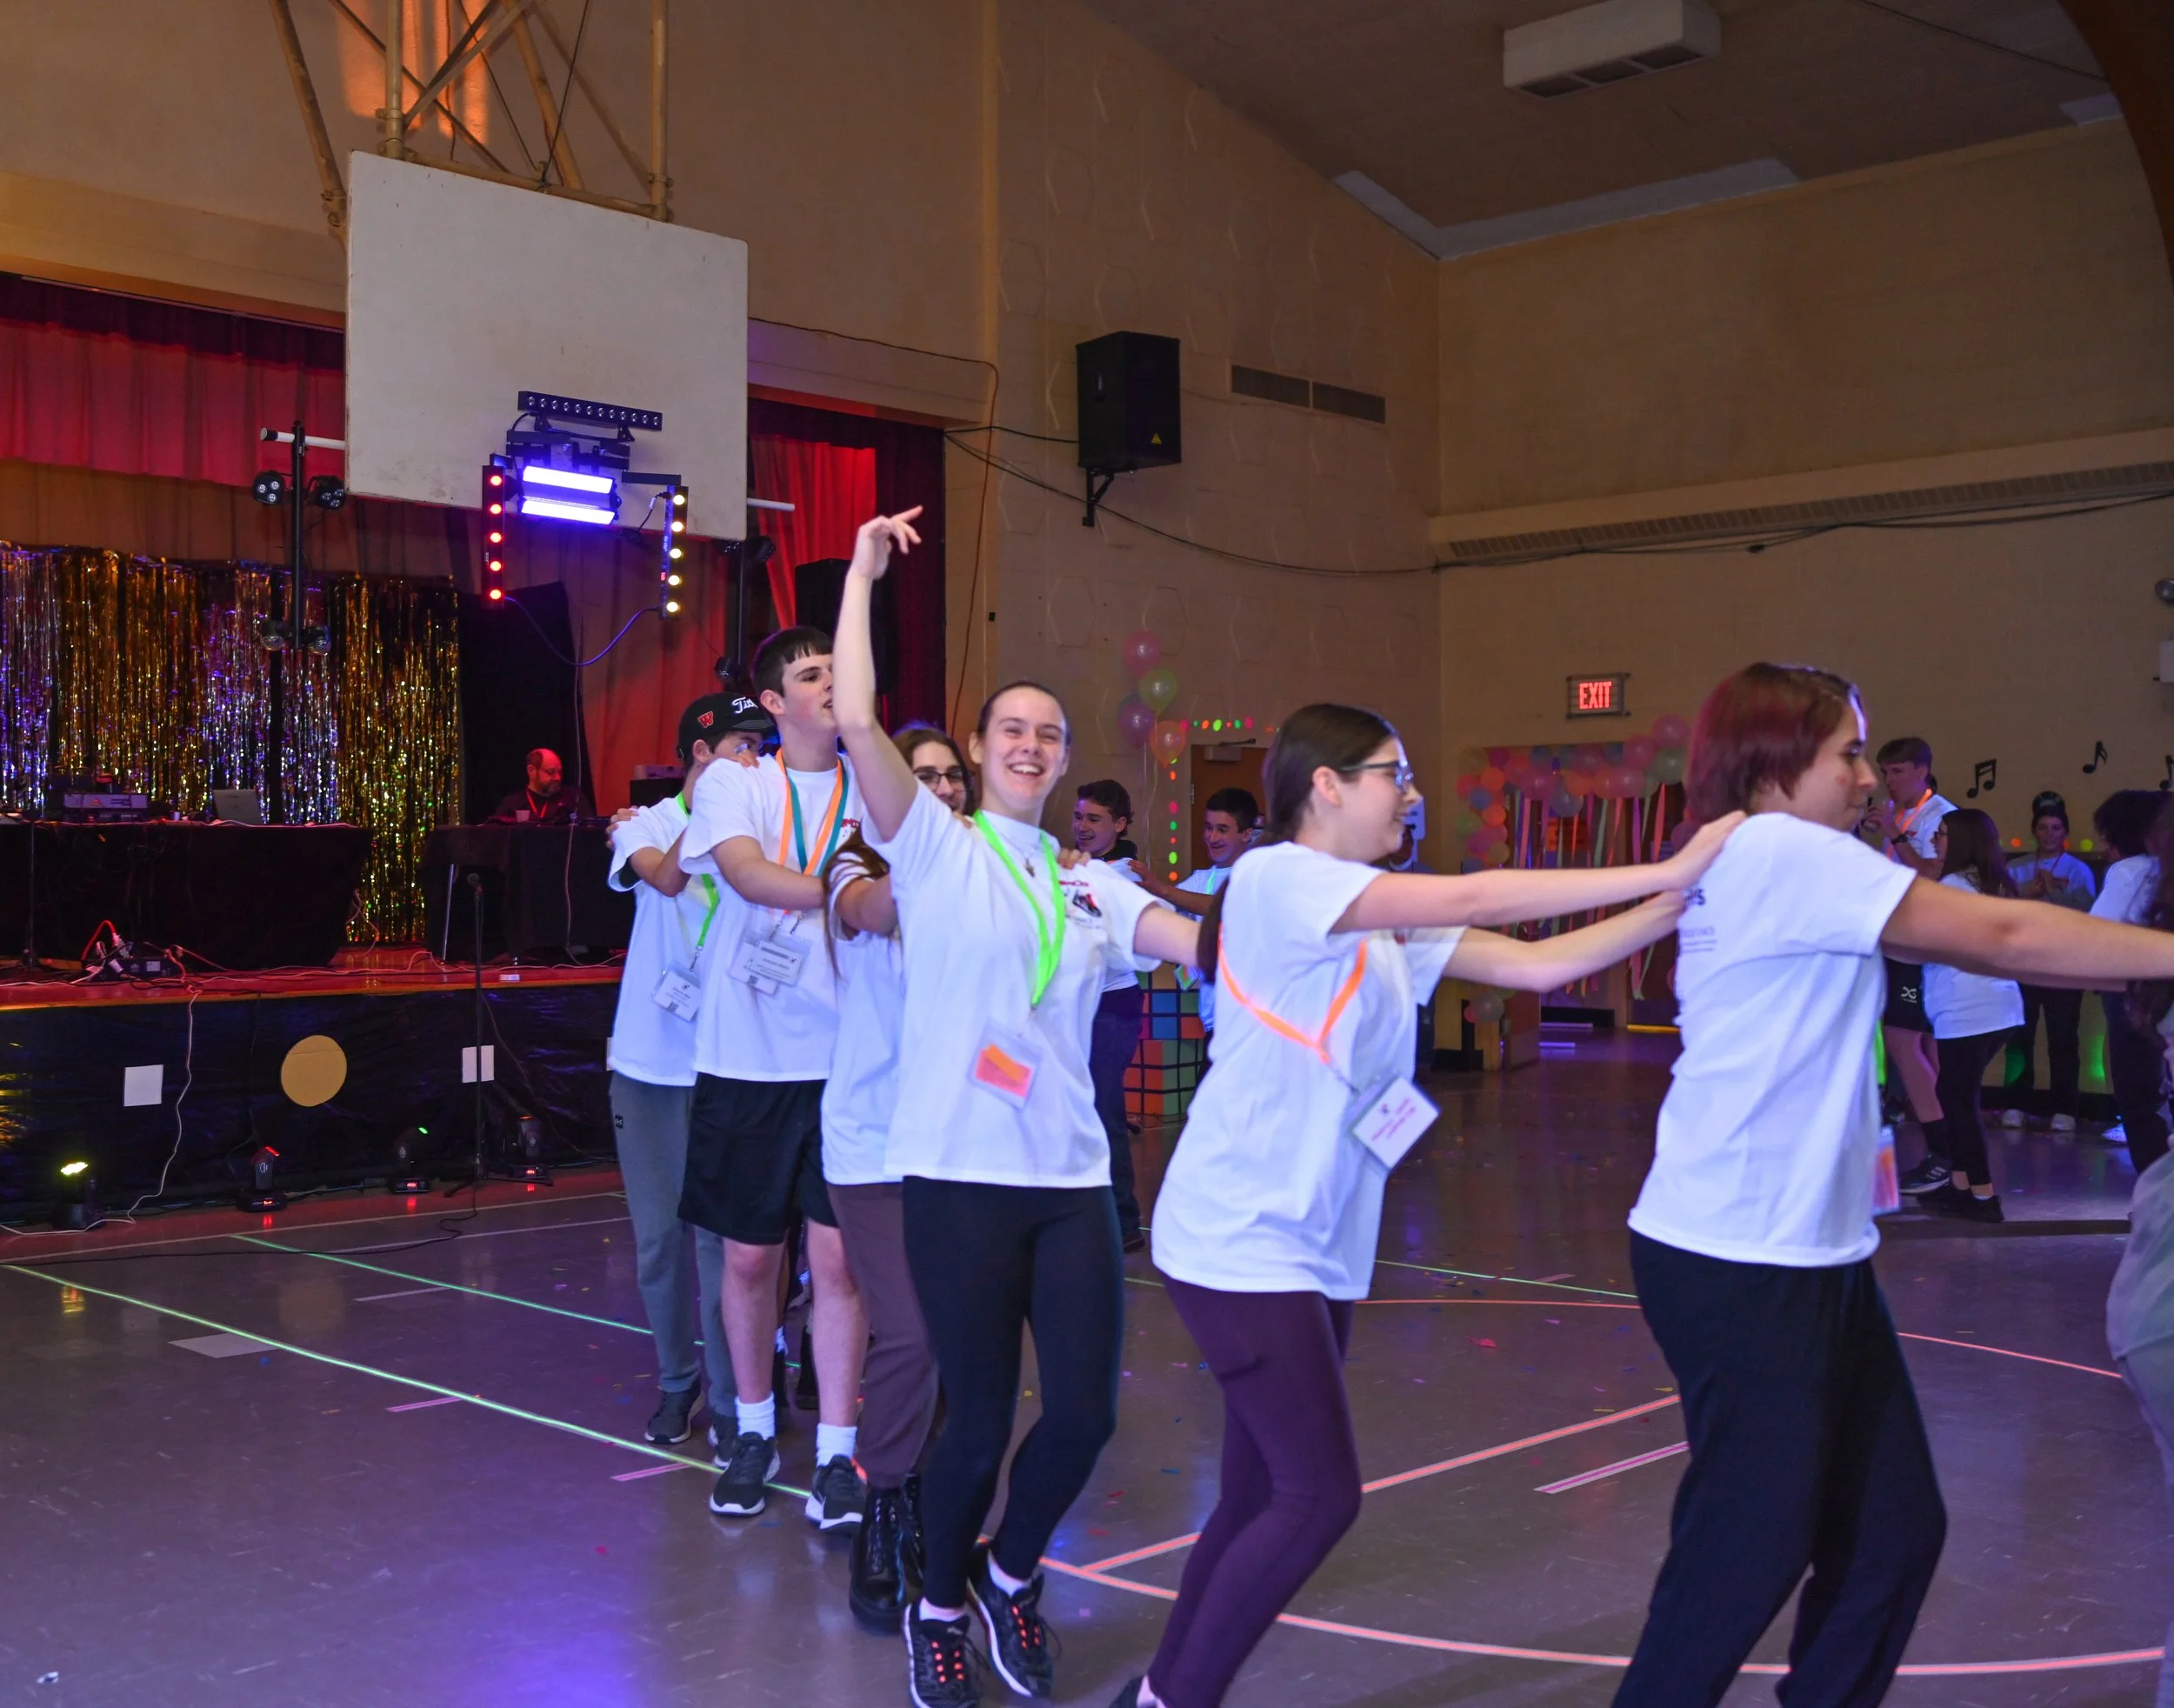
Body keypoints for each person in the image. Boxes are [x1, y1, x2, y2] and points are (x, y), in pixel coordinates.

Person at [1117, 705, 1742, 1708]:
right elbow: (1477, 887)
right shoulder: (1278, 879)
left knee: (1256, 1492)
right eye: (1390, 773)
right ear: (1324, 784)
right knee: (1316, 1495)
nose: (1407, 793)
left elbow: (1534, 962)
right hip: (1241, 1234)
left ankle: (1160, 1687)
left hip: (1310, 1237)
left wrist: (1684, 897)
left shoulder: (1376, 917)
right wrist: (1663, 868)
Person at [1610, 663, 2174, 1708]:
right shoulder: (1782, 850)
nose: (1870, 777)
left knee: (1892, 1532)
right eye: (1849, 754)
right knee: (1748, 1544)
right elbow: (2005, 935)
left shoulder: (1783, 854)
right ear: (1775, 763)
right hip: (1737, 1254)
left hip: (1812, 1255)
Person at [831, 508, 1200, 1708]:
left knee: (1085, 1414)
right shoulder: (938, 848)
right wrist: (864, 573)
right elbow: (853, 716)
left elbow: (1190, 943)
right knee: (978, 1422)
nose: (1034, 745)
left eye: (1051, 732)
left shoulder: (1091, 882)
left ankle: (1009, 1572)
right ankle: (939, 1604)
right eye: (1014, 729)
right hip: (955, 1180)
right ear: (983, 750)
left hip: (1069, 1186)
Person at [678, 625, 870, 1530]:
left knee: (838, 1260)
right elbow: (748, 874)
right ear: (775, 703)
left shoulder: (877, 786)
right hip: (747, 1057)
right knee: (753, 1254)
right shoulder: (736, 781)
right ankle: (752, 1425)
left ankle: (837, 1448)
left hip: (848, 1061)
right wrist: (844, 891)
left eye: (837, 669)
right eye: (810, 674)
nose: (829, 683)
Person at [823, 723, 971, 1631]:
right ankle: (880, 1504)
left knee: (962, 1340)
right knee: (911, 1333)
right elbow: (877, 909)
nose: (943, 789)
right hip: (875, 1146)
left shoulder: (995, 865)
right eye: (921, 776)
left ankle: (927, 1500)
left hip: (967, 1145)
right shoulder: (854, 866)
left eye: (954, 777)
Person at [606, 693, 772, 1448]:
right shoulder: (648, 825)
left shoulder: (764, 826)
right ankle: (677, 1383)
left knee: (727, 1243)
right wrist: (707, 820)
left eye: (761, 748)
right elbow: (665, 881)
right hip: (649, 1066)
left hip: (727, 1063)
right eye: (743, 745)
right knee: (660, 1242)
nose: (756, 760)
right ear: (700, 752)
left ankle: (738, 1398)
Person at [1919, 808, 2024, 1222]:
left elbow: (1939, 942)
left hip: (1969, 1007)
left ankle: (1983, 1196)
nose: (1935, 842)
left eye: (1941, 835)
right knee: (1955, 1095)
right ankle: (1962, 1186)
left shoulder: (1954, 885)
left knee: (1959, 1101)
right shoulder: (1990, 883)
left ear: (1960, 841)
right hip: (1996, 1005)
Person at [1868, 736, 1956, 1193]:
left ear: (1923, 770)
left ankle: (1945, 1150)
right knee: (1914, 1044)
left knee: (1905, 1042)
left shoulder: (1942, 815)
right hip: (1897, 944)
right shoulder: (1898, 815)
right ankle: (1950, 1149)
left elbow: (1933, 874)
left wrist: (1894, 835)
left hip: (1923, 950)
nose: (1889, 780)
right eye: (1886, 772)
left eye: (1898, 771)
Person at [1075, 777, 1150, 1252]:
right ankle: (1087, 1216)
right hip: (1078, 1004)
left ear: (1119, 825)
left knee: (1104, 1110)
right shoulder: (1081, 868)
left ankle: (1123, 1222)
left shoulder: (1125, 874)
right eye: (1079, 817)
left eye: (1094, 819)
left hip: (1113, 1005)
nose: (1082, 827)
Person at [2003, 791, 2097, 1132]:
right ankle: (2015, 1103)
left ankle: (2066, 1108)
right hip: (2023, 962)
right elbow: (2003, 908)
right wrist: (2031, 888)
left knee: (2062, 1038)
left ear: (2065, 832)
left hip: (2062, 965)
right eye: (2043, 828)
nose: (2049, 834)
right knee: (2019, 1036)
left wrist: (2055, 891)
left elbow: (2087, 915)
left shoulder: (2079, 870)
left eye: (2056, 828)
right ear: (2035, 831)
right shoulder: (2016, 867)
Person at [1138, 788, 1261, 1041]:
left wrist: (1162, 888)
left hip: (1254, 1023)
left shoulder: (1259, 875)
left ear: (1246, 834)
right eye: (1208, 827)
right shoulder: (1199, 881)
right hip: (1214, 1021)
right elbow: (1156, 911)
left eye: (1222, 830)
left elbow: (1225, 908)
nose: (1212, 837)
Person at [2095, 791, 2171, 1175]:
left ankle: (2153, 1195)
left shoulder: (2131, 871)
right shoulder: (2162, 869)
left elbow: (2097, 931)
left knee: (2140, 1099)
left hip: (2136, 992)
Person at [490, 746, 591, 824]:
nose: (557, 778)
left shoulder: (574, 798)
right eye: (550, 772)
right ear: (532, 771)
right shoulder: (512, 804)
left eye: (559, 772)